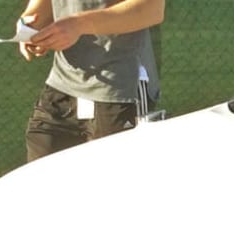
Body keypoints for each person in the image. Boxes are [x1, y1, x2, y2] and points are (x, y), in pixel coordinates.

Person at [17, 0, 165, 161]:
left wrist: (78, 24)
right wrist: (29, 25)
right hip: (61, 85)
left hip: (119, 90)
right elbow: (39, 8)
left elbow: (151, 9)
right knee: (40, 177)